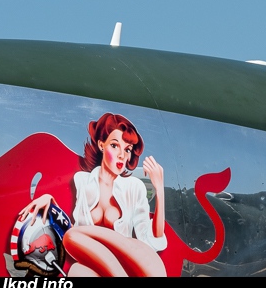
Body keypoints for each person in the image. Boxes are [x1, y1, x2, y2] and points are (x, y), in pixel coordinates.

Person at [17, 113, 167, 277]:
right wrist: (50, 201)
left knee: (73, 236)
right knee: (76, 270)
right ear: (102, 145)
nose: (122, 155)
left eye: (127, 149)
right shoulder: (82, 181)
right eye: (115, 145)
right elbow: (75, 231)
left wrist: (159, 189)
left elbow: (154, 238)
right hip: (101, 268)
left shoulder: (134, 186)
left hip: (140, 263)